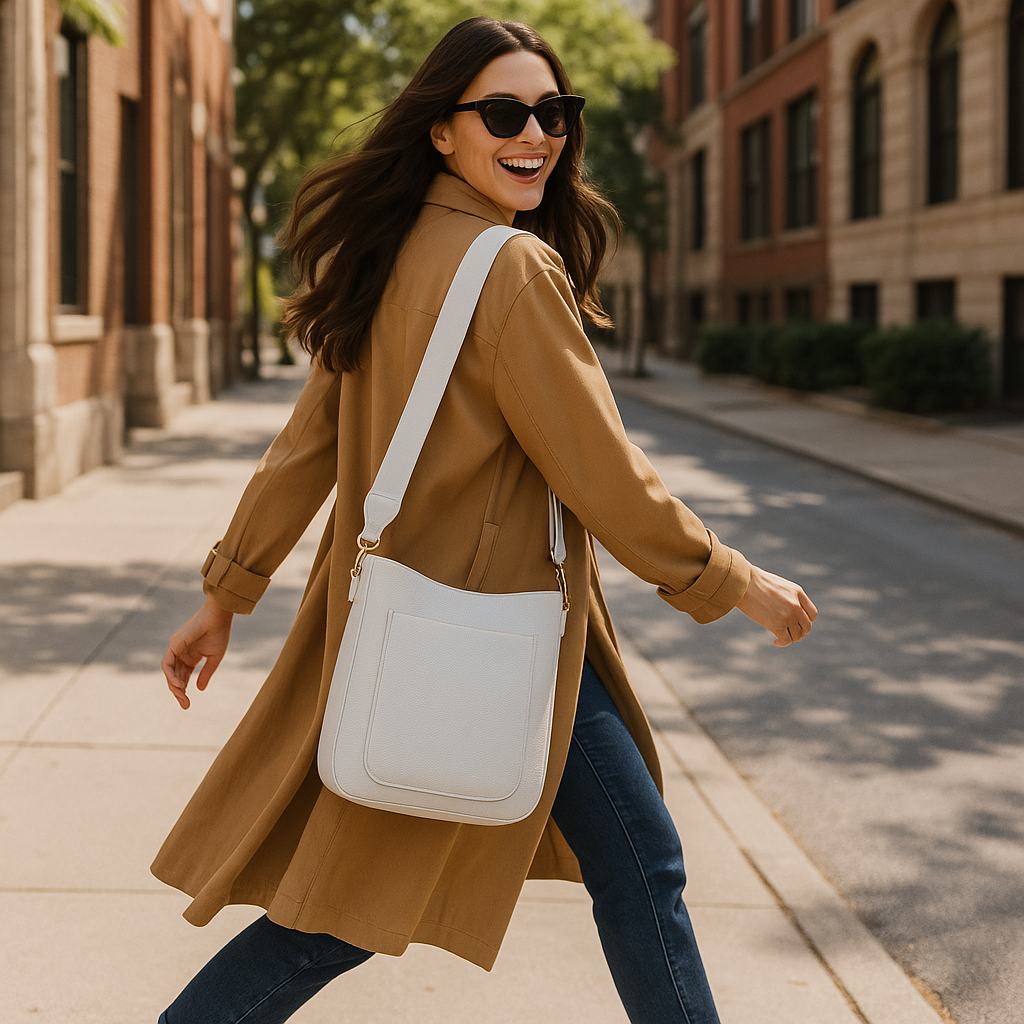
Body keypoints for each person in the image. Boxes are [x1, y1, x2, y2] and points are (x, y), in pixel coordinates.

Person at [155, 16, 817, 1024]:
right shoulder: (510, 271)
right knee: (346, 921)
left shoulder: (389, 256)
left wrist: (227, 590)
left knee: (629, 868)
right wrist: (733, 580)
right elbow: (604, 475)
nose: (537, 133)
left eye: (553, 112)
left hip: (438, 637)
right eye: (504, 112)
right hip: (491, 643)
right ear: (442, 131)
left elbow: (301, 452)